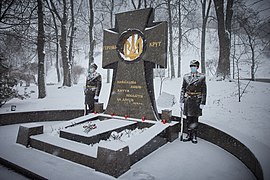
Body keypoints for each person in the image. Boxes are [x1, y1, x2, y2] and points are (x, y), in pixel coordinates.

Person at [180, 60, 207, 144]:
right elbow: (183, 89)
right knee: (188, 119)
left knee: (195, 119)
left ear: (197, 67)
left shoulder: (202, 77)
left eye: (194, 66)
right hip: (188, 100)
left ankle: (194, 135)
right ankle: (188, 135)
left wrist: (203, 102)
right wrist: (181, 101)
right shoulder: (186, 76)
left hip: (196, 101)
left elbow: (204, 91)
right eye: (191, 66)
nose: (193, 68)